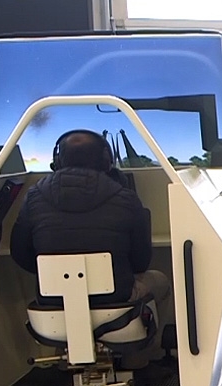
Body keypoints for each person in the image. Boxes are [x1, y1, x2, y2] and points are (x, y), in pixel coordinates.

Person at [10, 129, 170, 369]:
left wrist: (53, 273)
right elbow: (141, 262)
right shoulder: (125, 197)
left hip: (53, 308)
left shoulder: (33, 197)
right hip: (117, 308)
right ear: (107, 161)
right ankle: (141, 357)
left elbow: (19, 253)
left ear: (57, 162)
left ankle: (66, 359)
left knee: (60, 298)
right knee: (160, 282)